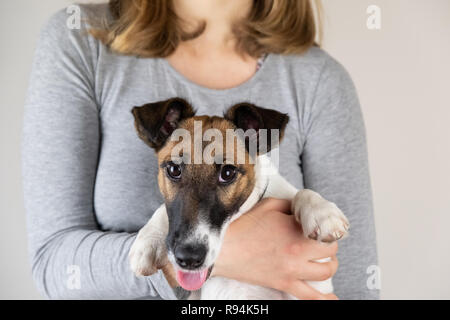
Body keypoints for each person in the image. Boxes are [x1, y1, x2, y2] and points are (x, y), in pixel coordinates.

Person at [22, 0, 378, 299]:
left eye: (225, 172)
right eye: (174, 171)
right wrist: (224, 254)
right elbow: (52, 264)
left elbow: (352, 286)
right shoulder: (82, 41)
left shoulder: (318, 80)